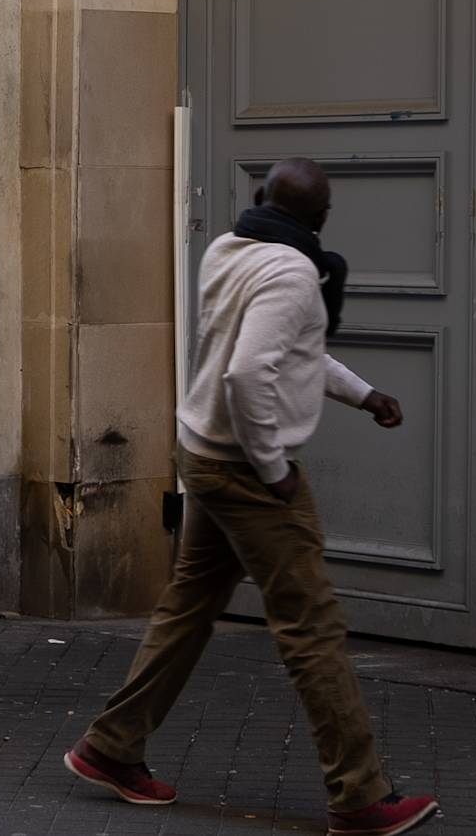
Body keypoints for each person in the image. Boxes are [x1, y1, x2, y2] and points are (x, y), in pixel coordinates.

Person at [62, 157, 439, 836]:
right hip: (243, 470)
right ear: (318, 218)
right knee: (312, 627)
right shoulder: (295, 273)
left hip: (203, 453)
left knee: (188, 607)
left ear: (263, 200)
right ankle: (359, 797)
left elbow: (288, 352)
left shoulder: (230, 250)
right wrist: (274, 470)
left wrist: (363, 394)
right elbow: (247, 372)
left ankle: (110, 748)